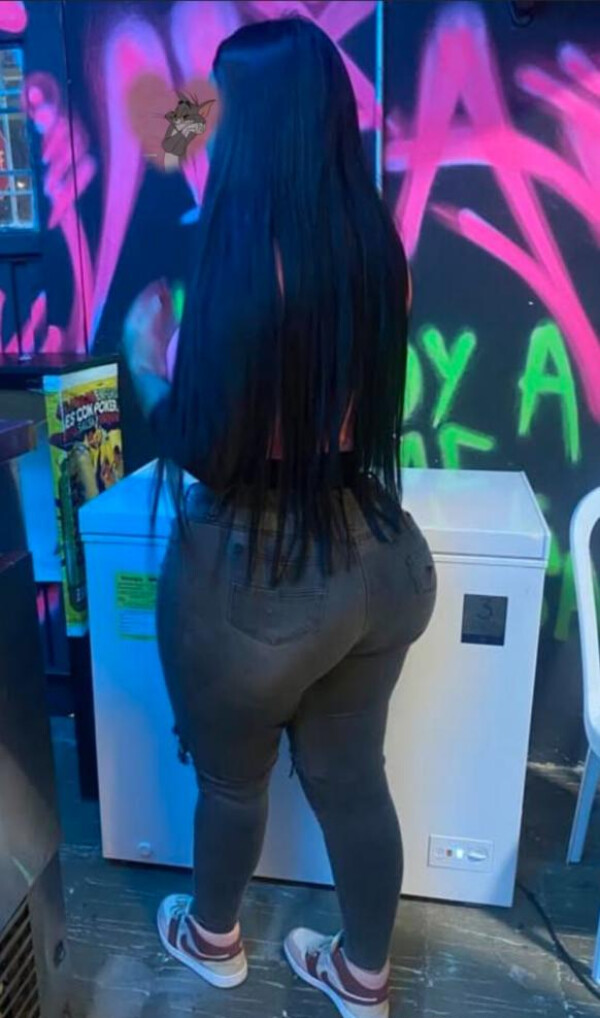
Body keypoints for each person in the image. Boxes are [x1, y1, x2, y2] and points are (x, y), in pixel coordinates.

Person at [123, 16, 436, 1018]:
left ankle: (213, 941)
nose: (202, 121)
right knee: (352, 780)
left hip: (258, 577)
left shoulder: (240, 261)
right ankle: (363, 978)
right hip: (377, 559)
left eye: (221, 107)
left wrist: (148, 358)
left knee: (231, 782)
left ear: (251, 123)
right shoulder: (377, 250)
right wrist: (195, 107)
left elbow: (209, 448)